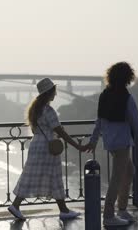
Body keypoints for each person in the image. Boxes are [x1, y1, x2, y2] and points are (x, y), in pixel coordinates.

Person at [85, 62, 138, 227]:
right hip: (122, 142)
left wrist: (94, 140)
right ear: (127, 77)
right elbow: (136, 122)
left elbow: (99, 121)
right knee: (117, 178)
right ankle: (109, 215)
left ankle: (121, 209)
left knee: (129, 171)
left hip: (110, 141)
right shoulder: (126, 97)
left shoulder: (105, 95)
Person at [8, 78, 87, 221]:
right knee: (55, 177)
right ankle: (62, 210)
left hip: (36, 145)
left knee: (31, 176)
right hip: (47, 147)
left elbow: (35, 129)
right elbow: (60, 131)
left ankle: (17, 205)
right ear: (49, 92)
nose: (55, 94)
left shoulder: (35, 109)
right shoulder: (48, 110)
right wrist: (77, 146)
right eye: (54, 91)